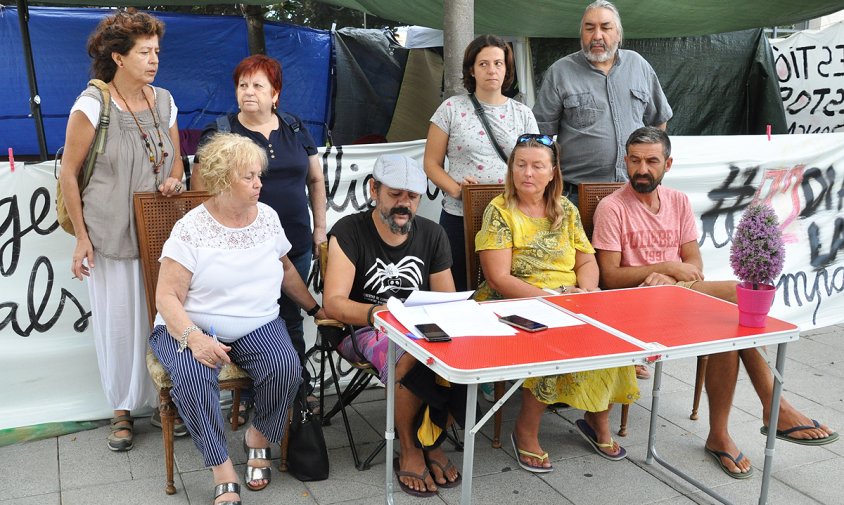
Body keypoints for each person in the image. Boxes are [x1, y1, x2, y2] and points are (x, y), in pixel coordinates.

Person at [592, 126, 839, 479]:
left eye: (651, 161)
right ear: (625, 162)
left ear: (668, 163)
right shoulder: (612, 207)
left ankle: (722, 433)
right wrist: (666, 267)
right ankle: (774, 407)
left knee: (732, 318)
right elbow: (611, 277)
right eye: (634, 160)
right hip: (634, 308)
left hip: (677, 298)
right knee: (741, 298)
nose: (641, 169)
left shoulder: (677, 202)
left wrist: (674, 276)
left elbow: (696, 267)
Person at [150, 133, 325, 504]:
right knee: (195, 378)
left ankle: (258, 437)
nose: (259, 182)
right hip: (190, 326)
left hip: (257, 322)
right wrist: (195, 339)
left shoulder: (267, 217)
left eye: (259, 174)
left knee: (286, 367)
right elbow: (165, 296)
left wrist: (314, 307)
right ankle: (222, 468)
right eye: (248, 176)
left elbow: (285, 269)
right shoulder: (191, 228)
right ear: (222, 178)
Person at [59, 9, 185, 452]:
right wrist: (81, 237)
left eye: (156, 51)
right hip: (109, 234)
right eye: (144, 52)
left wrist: (174, 179)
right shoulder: (92, 105)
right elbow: (69, 174)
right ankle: (122, 409)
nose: (154, 59)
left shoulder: (165, 100)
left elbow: (176, 158)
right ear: (118, 56)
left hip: (160, 235)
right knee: (118, 324)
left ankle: (168, 400)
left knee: (162, 316)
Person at [474, 134, 638, 472]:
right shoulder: (500, 211)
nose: (527, 173)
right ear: (511, 169)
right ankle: (526, 429)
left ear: (552, 172)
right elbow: (498, 279)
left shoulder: (566, 209)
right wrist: (552, 300)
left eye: (537, 166)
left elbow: (587, 262)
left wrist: (588, 294)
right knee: (554, 340)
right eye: (521, 165)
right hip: (513, 302)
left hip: (567, 297)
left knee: (610, 335)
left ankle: (597, 420)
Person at [194, 54, 328, 419]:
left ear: (276, 94)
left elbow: (315, 180)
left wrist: (319, 228)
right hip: (242, 250)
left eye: (257, 85)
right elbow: (201, 192)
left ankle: (297, 391)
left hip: (295, 242)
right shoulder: (220, 131)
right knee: (254, 323)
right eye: (242, 85)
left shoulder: (295, 127)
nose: (248, 92)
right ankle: (255, 395)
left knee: (291, 319)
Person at [323, 154, 463, 497]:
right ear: (375, 189)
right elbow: (334, 303)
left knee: (460, 348)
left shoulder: (432, 233)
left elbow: (448, 299)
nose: (404, 204)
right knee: (408, 353)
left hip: (417, 324)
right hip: (363, 327)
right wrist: (379, 313)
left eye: (412, 197)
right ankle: (411, 448)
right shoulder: (349, 230)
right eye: (395, 194)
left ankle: (432, 437)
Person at [424, 34, 538, 291]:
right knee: (461, 289)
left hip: (512, 217)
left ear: (507, 69)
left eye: (498, 63)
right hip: (460, 216)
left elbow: (535, 162)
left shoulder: (522, 113)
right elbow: (431, 164)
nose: (491, 70)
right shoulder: (450, 108)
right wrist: (457, 190)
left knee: (508, 288)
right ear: (472, 70)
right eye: (483, 63)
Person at [532, 0, 672, 206]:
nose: (597, 35)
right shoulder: (560, 72)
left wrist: (651, 165)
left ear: (618, 34)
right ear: (582, 34)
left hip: (632, 191)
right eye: (590, 28)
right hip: (575, 196)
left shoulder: (638, 65)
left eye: (606, 28)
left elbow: (659, 121)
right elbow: (540, 135)